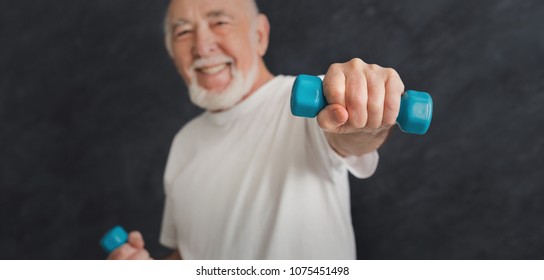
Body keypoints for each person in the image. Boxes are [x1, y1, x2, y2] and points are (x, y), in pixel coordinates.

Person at [107, 0, 405, 260]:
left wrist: (367, 112)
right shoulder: (184, 143)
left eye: (220, 22)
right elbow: (190, 255)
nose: (202, 46)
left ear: (259, 35)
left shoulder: (314, 101)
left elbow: (353, 137)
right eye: (183, 32)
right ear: (173, 54)